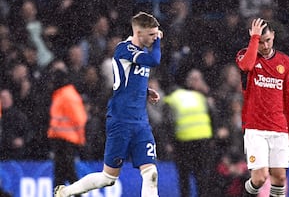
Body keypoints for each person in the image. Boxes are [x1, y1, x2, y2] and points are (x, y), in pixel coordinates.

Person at [54, 11, 163, 197]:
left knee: (151, 173)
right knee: (108, 178)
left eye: (157, 34)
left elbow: (128, 80)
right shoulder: (124, 49)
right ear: (138, 33)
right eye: (152, 34)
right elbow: (155, 60)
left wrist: (144, 91)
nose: (156, 38)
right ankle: (66, 192)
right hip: (121, 121)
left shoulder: (141, 51)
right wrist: (159, 41)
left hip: (140, 122)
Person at [235, 18, 289, 197]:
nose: (265, 46)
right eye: (260, 42)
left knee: (279, 178)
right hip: (255, 129)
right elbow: (246, 65)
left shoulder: (284, 61)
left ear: (274, 36)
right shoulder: (245, 56)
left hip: (279, 127)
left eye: (268, 40)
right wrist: (254, 39)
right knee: (260, 178)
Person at [163, 70, 215, 197]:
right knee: (199, 177)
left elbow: (167, 122)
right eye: (195, 79)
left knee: (188, 178)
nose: (197, 82)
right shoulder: (201, 98)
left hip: (189, 143)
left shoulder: (177, 97)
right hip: (192, 143)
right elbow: (214, 118)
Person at [47, 67, 87, 197]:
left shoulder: (67, 95)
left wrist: (80, 139)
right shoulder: (62, 94)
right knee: (62, 173)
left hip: (66, 141)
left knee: (67, 173)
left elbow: (79, 119)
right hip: (61, 140)